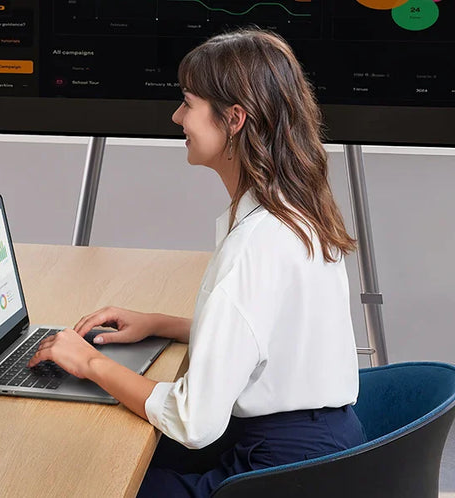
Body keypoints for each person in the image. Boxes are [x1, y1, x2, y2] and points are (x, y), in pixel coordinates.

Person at [28, 29, 365, 497]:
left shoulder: (255, 244)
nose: (177, 116)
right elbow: (268, 335)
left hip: (281, 475)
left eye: (188, 103)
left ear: (234, 119)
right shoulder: (298, 209)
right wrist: (161, 323)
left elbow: (194, 420)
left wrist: (88, 362)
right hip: (325, 447)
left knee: (95, 473)